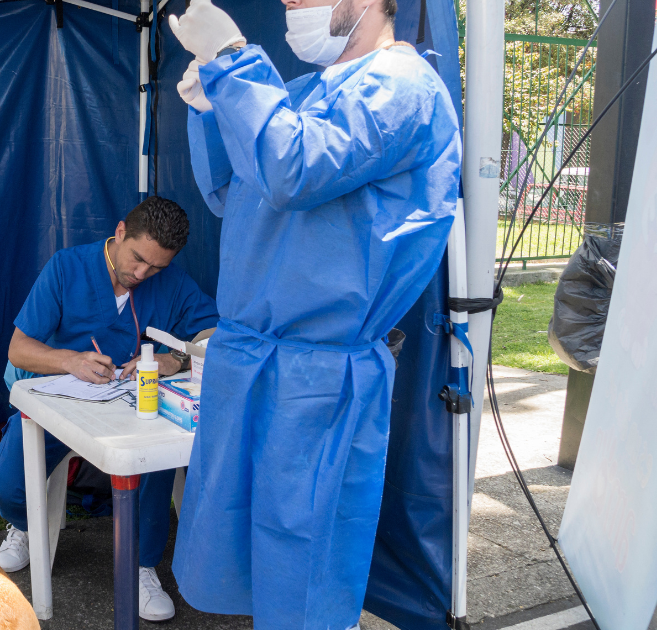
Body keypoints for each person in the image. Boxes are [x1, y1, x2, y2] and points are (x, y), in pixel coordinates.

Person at [165, 0, 460, 627]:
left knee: (302, 571)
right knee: (243, 554)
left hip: (318, 377)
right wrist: (213, 112)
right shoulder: (302, 92)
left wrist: (232, 63)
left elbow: (293, 171)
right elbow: (232, 192)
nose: (290, 2)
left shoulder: (401, 87)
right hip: (250, 361)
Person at [0, 196, 219, 622]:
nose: (142, 274)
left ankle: (142, 566)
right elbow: (19, 349)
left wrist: (176, 359)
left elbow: (213, 334)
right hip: (60, 402)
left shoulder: (172, 281)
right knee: (5, 483)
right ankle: (27, 522)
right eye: (138, 259)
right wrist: (70, 361)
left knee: (154, 454)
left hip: (135, 406)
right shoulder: (66, 268)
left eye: (156, 268)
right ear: (121, 232)